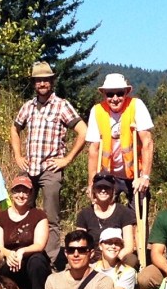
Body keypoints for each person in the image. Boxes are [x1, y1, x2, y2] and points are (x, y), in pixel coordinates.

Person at [9, 61, 86, 262]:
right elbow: (14, 129)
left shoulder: (61, 105)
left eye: (46, 79)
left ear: (52, 81)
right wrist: (18, 156)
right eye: (38, 80)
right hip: (30, 168)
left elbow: (83, 131)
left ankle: (51, 261)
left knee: (51, 218)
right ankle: (25, 256)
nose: (42, 83)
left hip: (50, 169)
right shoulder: (28, 106)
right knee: (24, 213)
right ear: (34, 83)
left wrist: (67, 159)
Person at [85, 73, 154, 202]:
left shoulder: (136, 106)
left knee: (136, 217)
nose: (115, 98)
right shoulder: (97, 111)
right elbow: (94, 150)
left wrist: (145, 176)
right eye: (110, 94)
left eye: (119, 93)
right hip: (108, 174)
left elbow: (147, 142)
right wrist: (91, 182)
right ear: (104, 94)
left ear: (126, 93)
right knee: (106, 215)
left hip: (135, 175)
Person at [0, 172, 50, 289]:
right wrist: (9, 254)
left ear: (30, 193)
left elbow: (39, 244)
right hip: (9, 259)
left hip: (30, 258)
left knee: (37, 261)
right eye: (18, 190)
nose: (21, 195)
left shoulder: (39, 215)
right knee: (2, 264)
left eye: (25, 191)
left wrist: (21, 252)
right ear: (12, 193)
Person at [75, 172, 137, 266]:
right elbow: (79, 243)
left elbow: (129, 246)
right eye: (99, 187)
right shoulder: (84, 214)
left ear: (113, 190)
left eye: (107, 188)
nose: (103, 190)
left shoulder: (124, 212)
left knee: (131, 259)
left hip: (116, 257)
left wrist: (114, 259)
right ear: (94, 190)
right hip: (92, 260)